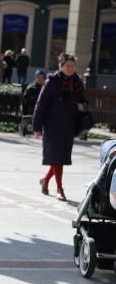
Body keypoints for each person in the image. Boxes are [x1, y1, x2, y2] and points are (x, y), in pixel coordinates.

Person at [33, 53, 86, 201]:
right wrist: (37, 127)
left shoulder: (77, 83)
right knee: (57, 158)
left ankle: (45, 180)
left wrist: (82, 106)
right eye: (67, 65)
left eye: (72, 66)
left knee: (60, 158)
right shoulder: (51, 83)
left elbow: (83, 100)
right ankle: (60, 189)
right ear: (61, 66)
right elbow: (40, 105)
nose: (70, 68)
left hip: (69, 125)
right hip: (52, 126)